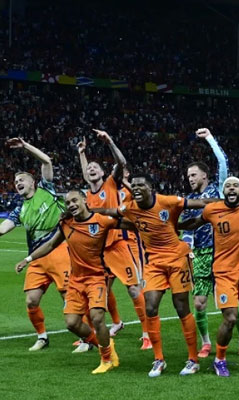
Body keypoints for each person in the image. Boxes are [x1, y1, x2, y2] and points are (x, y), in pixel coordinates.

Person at [93, 173, 212, 377]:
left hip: (177, 258)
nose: (136, 189)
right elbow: (109, 211)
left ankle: (193, 359)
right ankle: (158, 359)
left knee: (181, 306)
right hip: (154, 262)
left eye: (141, 185)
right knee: (150, 306)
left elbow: (201, 202)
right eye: (134, 186)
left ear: (151, 188)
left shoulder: (167, 201)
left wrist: (226, 201)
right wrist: (87, 211)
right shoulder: (130, 208)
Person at [15, 190, 131, 373]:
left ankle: (106, 358)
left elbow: (128, 224)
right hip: (76, 280)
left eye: (75, 200)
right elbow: (51, 245)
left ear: (85, 200)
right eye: (68, 203)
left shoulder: (101, 220)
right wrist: (28, 259)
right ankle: (106, 344)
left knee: (97, 317)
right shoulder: (67, 224)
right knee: (71, 323)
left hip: (97, 278)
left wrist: (152, 225)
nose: (71, 205)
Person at [179, 176, 239, 377]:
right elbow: (195, 222)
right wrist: (174, 226)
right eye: (227, 185)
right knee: (230, 317)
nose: (231, 188)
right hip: (223, 272)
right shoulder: (213, 209)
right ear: (223, 191)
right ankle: (219, 360)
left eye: (235, 185)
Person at [180, 128, 239, 359]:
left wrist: (209, 138)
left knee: (231, 302)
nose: (190, 178)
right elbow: (187, 227)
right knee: (199, 304)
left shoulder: (218, 190)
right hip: (199, 255)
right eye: (188, 175)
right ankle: (206, 342)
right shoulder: (189, 200)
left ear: (204, 176)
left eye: (193, 174)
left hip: (222, 255)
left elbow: (222, 161)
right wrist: (186, 247)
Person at [78, 130, 149, 350]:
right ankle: (110, 326)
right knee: (101, 291)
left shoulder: (110, 182)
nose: (91, 170)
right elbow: (85, 173)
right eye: (89, 168)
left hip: (118, 243)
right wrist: (82, 154)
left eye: (95, 167)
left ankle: (147, 332)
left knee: (133, 289)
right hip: (98, 249)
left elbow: (121, 161)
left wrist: (109, 141)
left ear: (103, 172)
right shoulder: (87, 195)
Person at [1, 137, 71, 352]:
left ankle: (85, 336)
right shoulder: (19, 209)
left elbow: (47, 161)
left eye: (22, 179)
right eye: (15, 182)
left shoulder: (46, 189)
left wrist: (25, 147)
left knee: (68, 297)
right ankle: (42, 337)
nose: (18, 183)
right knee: (31, 301)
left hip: (60, 250)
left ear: (32, 182)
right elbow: (3, 228)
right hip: (37, 257)